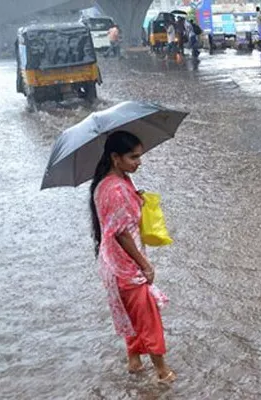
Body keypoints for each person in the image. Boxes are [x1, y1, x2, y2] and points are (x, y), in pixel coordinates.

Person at [89, 131, 176, 384]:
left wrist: (136, 200)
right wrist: (145, 265)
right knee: (149, 318)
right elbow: (122, 234)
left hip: (112, 264)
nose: (139, 162)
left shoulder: (107, 183)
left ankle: (134, 361)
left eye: (140, 156)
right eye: (133, 157)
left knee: (131, 314)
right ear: (116, 157)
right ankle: (162, 371)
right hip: (127, 267)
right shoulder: (116, 189)